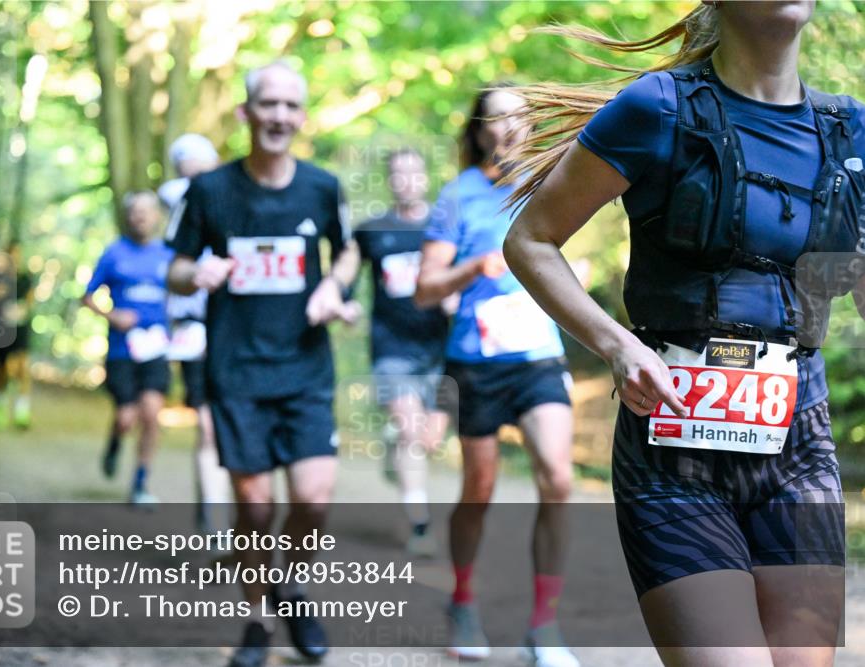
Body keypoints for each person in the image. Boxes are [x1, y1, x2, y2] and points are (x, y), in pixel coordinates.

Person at [502, 2, 863, 666]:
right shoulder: (658, 108)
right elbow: (531, 240)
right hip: (673, 448)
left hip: (799, 444)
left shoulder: (851, 131)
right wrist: (618, 344)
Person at [166, 61, 360, 667]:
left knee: (313, 500)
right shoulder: (209, 190)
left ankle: (291, 586)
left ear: (302, 117)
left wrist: (333, 287)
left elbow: (348, 250)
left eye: (290, 106)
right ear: (245, 113)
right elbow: (175, 266)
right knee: (254, 509)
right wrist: (196, 273)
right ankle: (257, 617)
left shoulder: (322, 187)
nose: (279, 115)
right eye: (268, 104)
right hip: (236, 371)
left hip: (304, 368)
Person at [415, 85, 579, 666]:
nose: (507, 128)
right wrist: (472, 268)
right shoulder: (457, 196)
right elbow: (424, 289)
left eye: (517, 118)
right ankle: (462, 600)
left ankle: (544, 626)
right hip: (475, 364)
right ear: (479, 130)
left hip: (538, 357)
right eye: (494, 119)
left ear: (530, 126)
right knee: (478, 491)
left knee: (558, 478)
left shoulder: (548, 183)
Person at [353, 147, 451, 558]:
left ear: (425, 178)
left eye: (414, 172)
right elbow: (345, 274)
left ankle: (395, 448)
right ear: (389, 181)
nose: (406, 180)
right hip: (391, 348)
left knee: (428, 439)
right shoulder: (372, 231)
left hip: (443, 350)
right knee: (412, 431)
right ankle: (420, 525)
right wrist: (343, 303)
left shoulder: (445, 228)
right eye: (398, 173)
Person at [160, 133, 232, 534]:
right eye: (186, 173)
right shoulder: (175, 200)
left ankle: (223, 511)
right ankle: (215, 522)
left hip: (236, 328)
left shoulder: (235, 197)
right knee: (207, 426)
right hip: (192, 328)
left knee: (231, 426)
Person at [83, 191, 174, 506]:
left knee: (151, 413)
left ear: (157, 216)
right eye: (135, 212)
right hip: (122, 350)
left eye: (146, 211)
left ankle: (140, 482)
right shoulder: (114, 253)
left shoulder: (168, 255)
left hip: (156, 348)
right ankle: (115, 441)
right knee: (126, 417)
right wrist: (113, 316)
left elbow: (184, 294)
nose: (141, 217)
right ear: (128, 217)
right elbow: (87, 296)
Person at [0, 242, 35, 430]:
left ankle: (22, 412)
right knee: (2, 369)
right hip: (2, 329)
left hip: (21, 328)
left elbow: (30, 301)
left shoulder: (25, 278)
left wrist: (21, 310)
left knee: (23, 368)